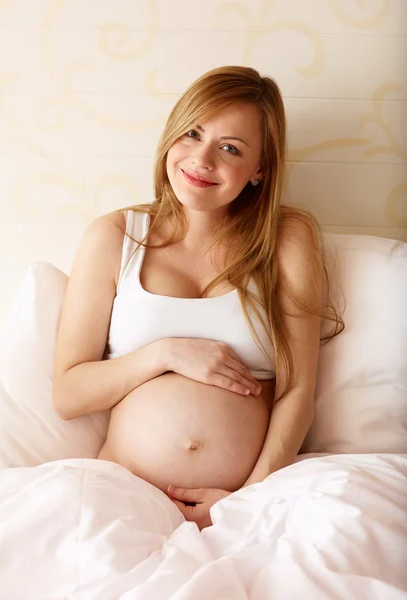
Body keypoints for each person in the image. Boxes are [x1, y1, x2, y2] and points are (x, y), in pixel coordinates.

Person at [52, 65, 344, 530]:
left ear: (260, 169)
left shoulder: (287, 239)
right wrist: (165, 354)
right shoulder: (115, 236)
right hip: (122, 497)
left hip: (245, 504)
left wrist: (245, 501)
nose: (202, 160)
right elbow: (68, 394)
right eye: (192, 133)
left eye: (230, 148)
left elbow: (298, 390)